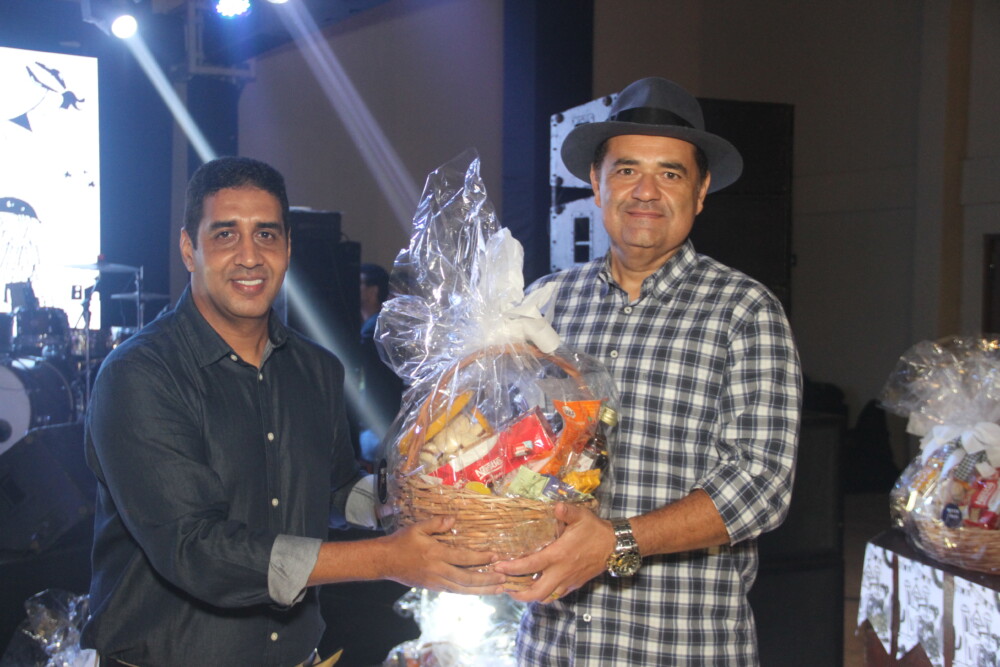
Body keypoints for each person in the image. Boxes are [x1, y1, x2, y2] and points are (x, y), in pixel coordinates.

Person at [81, 156, 503, 667]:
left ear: (286, 248)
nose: (249, 256)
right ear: (189, 249)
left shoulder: (316, 368)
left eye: (266, 235)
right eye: (225, 234)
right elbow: (196, 550)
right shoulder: (141, 375)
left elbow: (335, 488)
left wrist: (422, 497)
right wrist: (388, 558)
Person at [493, 77, 803, 664]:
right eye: (627, 169)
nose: (645, 191)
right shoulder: (545, 305)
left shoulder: (744, 311)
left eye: (671, 173)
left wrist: (615, 542)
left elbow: (761, 486)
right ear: (596, 183)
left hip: (677, 645)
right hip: (554, 644)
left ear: (701, 191)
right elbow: (507, 450)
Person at [357, 262, 404, 464]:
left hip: (378, 424)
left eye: (359, 283)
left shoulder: (374, 328)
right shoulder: (377, 325)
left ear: (373, 290)